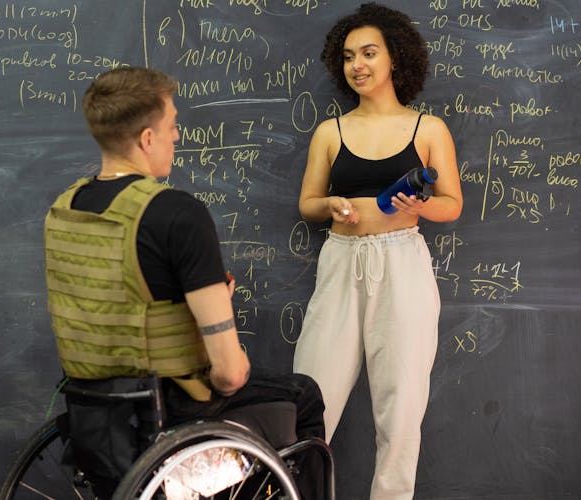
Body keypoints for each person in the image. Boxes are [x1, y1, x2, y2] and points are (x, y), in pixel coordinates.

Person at [43, 66, 326, 498]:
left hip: (93, 413)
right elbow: (229, 375)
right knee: (303, 394)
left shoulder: (63, 210)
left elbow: (122, 300)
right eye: (172, 126)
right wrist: (217, 317)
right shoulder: (177, 214)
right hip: (168, 413)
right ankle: (198, 486)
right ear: (146, 138)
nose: (178, 136)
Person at [292, 3, 463, 500]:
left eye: (369, 53)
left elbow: (451, 204)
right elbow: (306, 204)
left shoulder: (427, 129)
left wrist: (420, 205)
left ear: (396, 60)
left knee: (402, 404)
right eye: (348, 56)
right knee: (310, 396)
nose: (357, 65)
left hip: (402, 263)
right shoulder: (331, 132)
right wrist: (329, 204)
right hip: (342, 260)